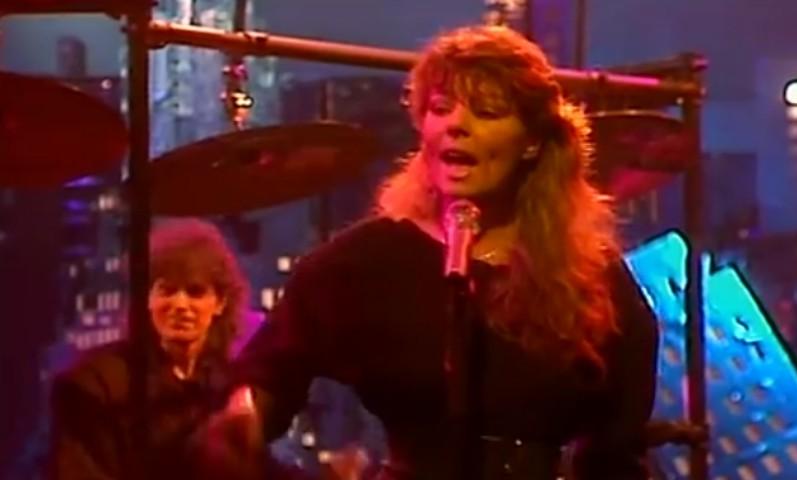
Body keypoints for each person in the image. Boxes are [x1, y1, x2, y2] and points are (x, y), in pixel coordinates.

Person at [218, 25, 659, 479]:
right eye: (440, 108)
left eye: (486, 113)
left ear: (532, 142)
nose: (456, 125)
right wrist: (243, 417)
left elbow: (619, 448)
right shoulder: (368, 262)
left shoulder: (593, 276)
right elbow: (267, 378)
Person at [45, 218, 251, 479]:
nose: (180, 304)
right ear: (147, 299)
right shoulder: (94, 384)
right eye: (167, 290)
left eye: (195, 292)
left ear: (220, 303)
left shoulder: (227, 386)